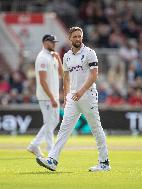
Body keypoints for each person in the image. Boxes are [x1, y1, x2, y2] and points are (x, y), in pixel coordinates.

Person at [36, 27, 110, 172]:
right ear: (69, 38)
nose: (78, 39)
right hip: (73, 98)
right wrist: (65, 97)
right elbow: (66, 78)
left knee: (96, 128)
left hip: (87, 95)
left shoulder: (90, 53)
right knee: (64, 129)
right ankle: (52, 159)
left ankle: (104, 162)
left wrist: (81, 91)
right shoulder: (67, 56)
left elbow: (94, 75)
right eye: (75, 36)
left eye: (79, 36)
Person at [27, 34, 63, 157]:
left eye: (54, 42)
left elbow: (61, 74)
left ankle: (34, 144)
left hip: (54, 95)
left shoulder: (52, 57)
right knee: (49, 122)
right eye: (51, 42)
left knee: (54, 121)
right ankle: (50, 150)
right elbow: (42, 81)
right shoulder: (42, 57)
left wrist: (58, 59)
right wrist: (52, 97)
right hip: (46, 96)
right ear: (45, 42)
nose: (54, 44)